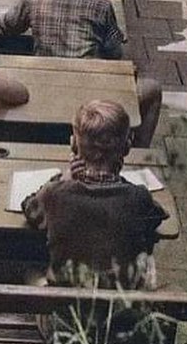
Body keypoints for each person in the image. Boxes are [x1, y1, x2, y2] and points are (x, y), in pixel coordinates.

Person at [0, 0, 162, 146]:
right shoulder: (101, 6)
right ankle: (139, 152)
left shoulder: (33, 0)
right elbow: (115, 54)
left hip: (44, 85)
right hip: (89, 93)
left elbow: (6, 27)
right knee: (152, 88)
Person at [22, 100, 167, 289]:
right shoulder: (138, 197)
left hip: (66, 306)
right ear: (127, 147)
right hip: (120, 307)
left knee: (29, 270)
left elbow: (30, 208)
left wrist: (64, 178)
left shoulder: (54, 194)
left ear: (74, 144)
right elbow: (155, 218)